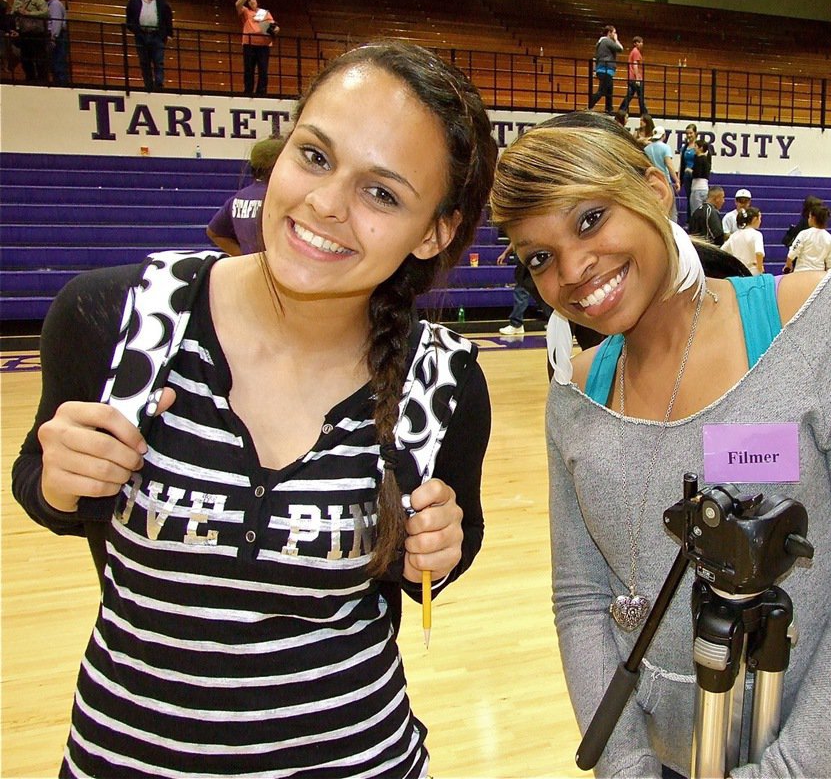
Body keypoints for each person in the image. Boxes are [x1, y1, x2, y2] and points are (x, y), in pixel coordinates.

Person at [11, 41, 497, 777]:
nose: (326, 204)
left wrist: (438, 552)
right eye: (315, 155)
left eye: (383, 194)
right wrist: (57, 478)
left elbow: (437, 554)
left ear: (433, 230)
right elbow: (43, 490)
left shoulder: (443, 379)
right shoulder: (115, 318)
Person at [490, 110, 831, 778]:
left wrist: (793, 769)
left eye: (590, 219)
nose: (576, 268)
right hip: (669, 760)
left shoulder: (816, 322)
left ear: (657, 189)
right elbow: (579, 599)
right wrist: (625, 764)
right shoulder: (575, 396)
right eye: (540, 258)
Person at [205, 136, 285, 255]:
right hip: (278, 271)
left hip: (253, 270)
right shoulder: (281, 198)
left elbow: (213, 233)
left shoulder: (238, 198)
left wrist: (244, 257)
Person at [125, 0, 172, 92]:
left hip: (156, 35)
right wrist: (135, 29)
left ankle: (159, 84)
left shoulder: (160, 1)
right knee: (144, 61)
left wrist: (169, 33)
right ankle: (148, 85)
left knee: (158, 61)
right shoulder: (134, 0)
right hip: (141, 34)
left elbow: (167, 17)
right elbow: (129, 16)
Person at [235, 0, 278, 97]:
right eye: (249, 1)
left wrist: (276, 30)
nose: (251, 2)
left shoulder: (264, 13)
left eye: (253, 0)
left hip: (263, 45)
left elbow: (273, 25)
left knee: (263, 70)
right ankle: (248, 91)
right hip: (249, 44)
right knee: (249, 69)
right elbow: (238, 4)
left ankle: (261, 92)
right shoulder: (246, 12)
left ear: (257, 1)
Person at [11, 0, 49, 83]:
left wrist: (29, 13)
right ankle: (30, 78)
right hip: (24, 32)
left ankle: (42, 80)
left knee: (39, 58)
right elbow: (13, 13)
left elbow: (45, 13)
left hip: (36, 33)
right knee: (25, 59)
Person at [785, 203, 831, 273]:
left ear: (813, 218)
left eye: (809, 217)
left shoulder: (804, 234)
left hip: (801, 272)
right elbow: (830, 261)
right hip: (819, 275)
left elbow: (793, 251)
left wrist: (788, 265)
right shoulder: (830, 239)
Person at [587, 24, 622, 113]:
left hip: (604, 69)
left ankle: (609, 109)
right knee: (602, 91)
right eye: (614, 32)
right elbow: (620, 49)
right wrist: (616, 40)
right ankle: (590, 105)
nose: (615, 34)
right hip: (606, 69)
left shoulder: (600, 42)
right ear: (609, 33)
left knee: (609, 92)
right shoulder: (607, 41)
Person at [722, 205, 765, 275]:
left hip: (737, 272)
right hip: (752, 272)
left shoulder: (734, 235)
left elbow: (722, 252)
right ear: (754, 219)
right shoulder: (756, 234)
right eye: (759, 218)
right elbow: (759, 253)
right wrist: (760, 268)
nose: (760, 221)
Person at [39, 0, 68, 85]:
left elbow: (56, 22)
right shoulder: (48, 4)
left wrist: (53, 37)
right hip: (56, 36)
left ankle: (61, 84)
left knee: (58, 62)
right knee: (54, 63)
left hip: (57, 37)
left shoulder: (55, 4)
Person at [643, 125, 679, 195]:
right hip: (664, 180)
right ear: (664, 135)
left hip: (651, 181)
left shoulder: (646, 149)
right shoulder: (666, 148)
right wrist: (676, 180)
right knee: (670, 205)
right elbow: (669, 165)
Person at [617, 35, 645, 115]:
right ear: (636, 43)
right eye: (640, 42)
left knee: (629, 95)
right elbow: (635, 65)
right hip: (635, 78)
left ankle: (622, 109)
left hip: (632, 77)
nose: (642, 44)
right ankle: (644, 113)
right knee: (640, 97)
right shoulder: (636, 52)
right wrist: (637, 78)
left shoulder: (634, 52)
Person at [677, 123, 698, 221]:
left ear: (695, 133)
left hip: (696, 175)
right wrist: (679, 180)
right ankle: (690, 219)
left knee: (695, 198)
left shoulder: (699, 146)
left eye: (691, 133)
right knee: (689, 197)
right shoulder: (684, 148)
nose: (689, 135)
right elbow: (682, 164)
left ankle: (695, 218)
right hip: (686, 176)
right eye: (687, 133)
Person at [688, 138, 712, 216]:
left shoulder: (699, 159)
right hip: (705, 188)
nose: (694, 148)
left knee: (696, 214)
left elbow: (697, 173)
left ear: (701, 148)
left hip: (697, 189)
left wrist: (690, 171)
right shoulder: (707, 160)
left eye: (695, 146)